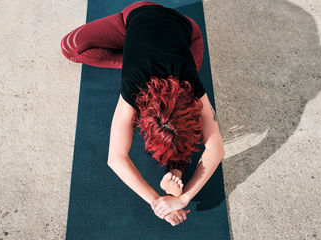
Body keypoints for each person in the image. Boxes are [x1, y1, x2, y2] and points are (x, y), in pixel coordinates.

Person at [60, 1, 224, 226]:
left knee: (175, 136)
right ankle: (176, 167)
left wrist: (181, 199)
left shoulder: (190, 83)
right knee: (71, 49)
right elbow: (115, 159)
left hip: (188, 35)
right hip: (139, 14)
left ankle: (175, 168)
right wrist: (159, 203)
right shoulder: (133, 85)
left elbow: (217, 148)